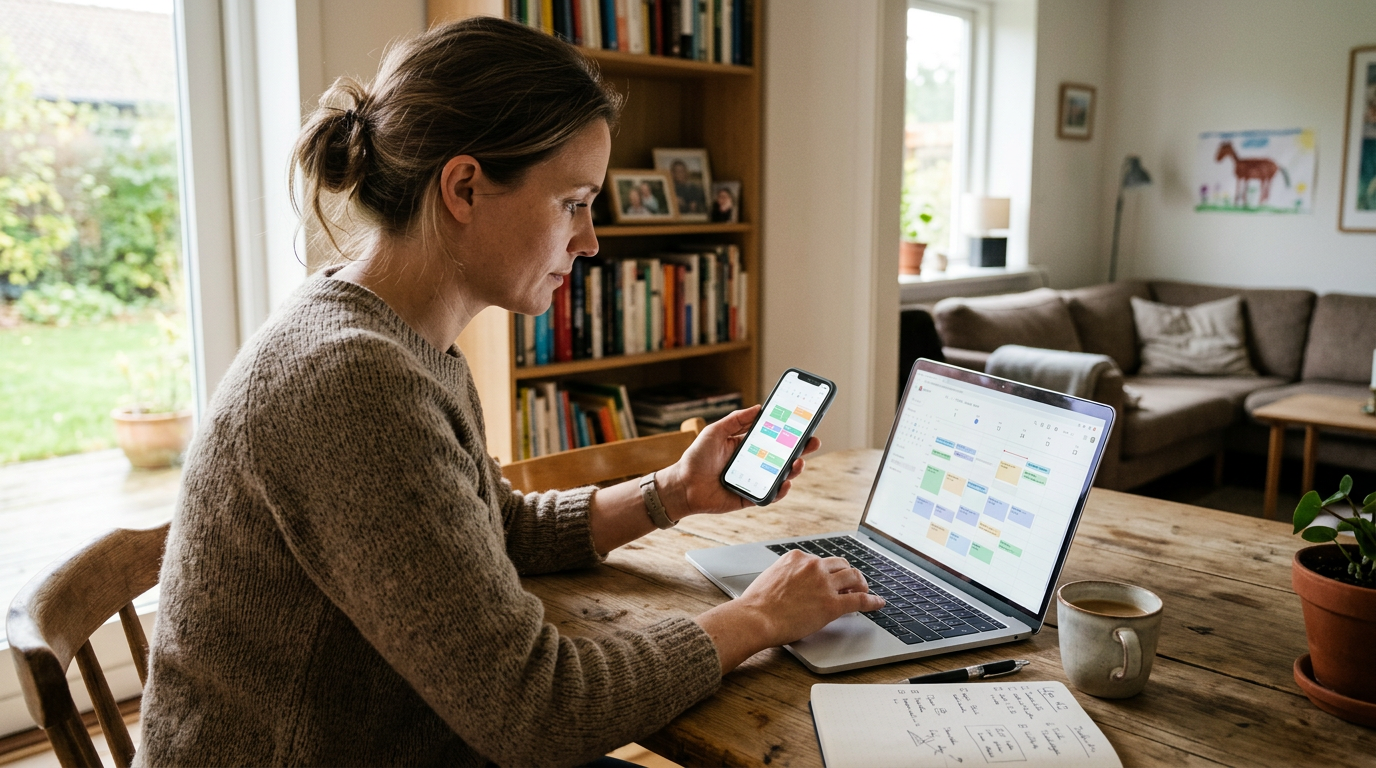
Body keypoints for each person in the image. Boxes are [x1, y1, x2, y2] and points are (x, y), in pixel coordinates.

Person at [135, 17, 882, 768]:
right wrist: (756, 617)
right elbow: (537, 713)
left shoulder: (395, 337)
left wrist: (675, 492)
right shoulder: (352, 382)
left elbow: (496, 529)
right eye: (574, 202)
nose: (589, 241)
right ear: (464, 187)